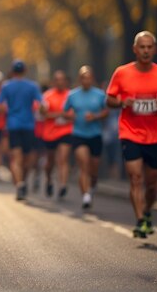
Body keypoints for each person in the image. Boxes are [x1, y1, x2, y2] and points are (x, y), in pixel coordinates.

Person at [106, 31, 157, 238]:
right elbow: (109, 99)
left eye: (149, 47)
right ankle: (140, 220)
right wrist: (122, 102)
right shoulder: (122, 73)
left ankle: (147, 211)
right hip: (130, 133)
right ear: (135, 49)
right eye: (142, 47)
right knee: (136, 178)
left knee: (152, 185)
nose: (146, 51)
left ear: (155, 50)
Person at [63, 66, 108, 209]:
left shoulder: (100, 94)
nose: (86, 80)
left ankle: (93, 184)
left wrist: (95, 116)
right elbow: (65, 113)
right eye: (83, 77)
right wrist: (70, 116)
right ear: (79, 79)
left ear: (92, 79)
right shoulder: (72, 95)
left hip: (95, 135)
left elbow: (106, 112)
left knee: (94, 169)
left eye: (88, 77)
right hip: (78, 134)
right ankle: (86, 196)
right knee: (84, 164)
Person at [0, 60, 42, 201]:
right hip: (29, 125)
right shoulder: (32, 86)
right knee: (27, 159)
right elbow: (41, 104)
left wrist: (10, 111)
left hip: (13, 125)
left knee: (16, 158)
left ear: (12, 71)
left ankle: (19, 184)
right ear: (25, 70)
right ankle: (23, 180)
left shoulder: (6, 86)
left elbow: (0, 105)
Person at [40, 70, 73, 199]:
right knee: (50, 161)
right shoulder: (47, 96)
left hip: (66, 131)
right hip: (50, 133)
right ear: (53, 82)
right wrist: (58, 114)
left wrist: (69, 117)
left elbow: (75, 113)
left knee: (63, 158)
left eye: (62, 79)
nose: (60, 82)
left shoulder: (71, 95)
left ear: (65, 81)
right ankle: (49, 180)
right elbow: (43, 114)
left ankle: (63, 185)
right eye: (57, 79)